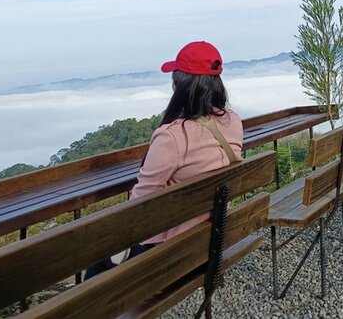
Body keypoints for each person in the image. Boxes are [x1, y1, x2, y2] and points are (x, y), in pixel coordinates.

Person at [84, 41, 243, 280]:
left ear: (180, 85)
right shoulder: (232, 120)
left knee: (97, 266)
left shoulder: (173, 136)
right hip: (217, 238)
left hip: (177, 252)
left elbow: (141, 204)